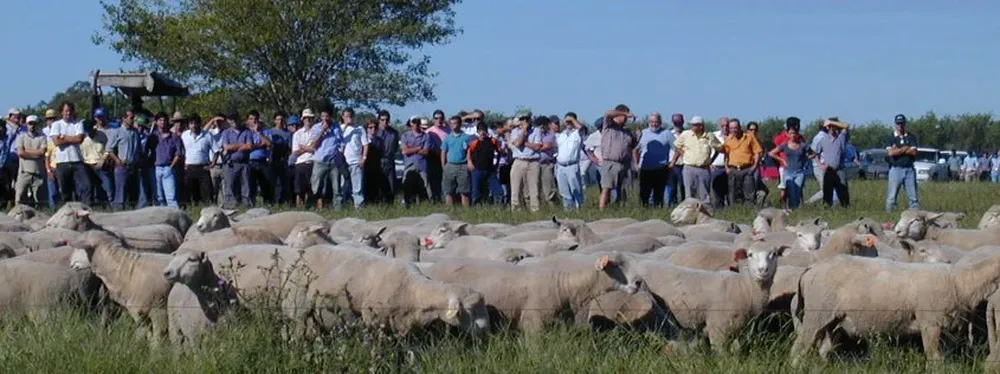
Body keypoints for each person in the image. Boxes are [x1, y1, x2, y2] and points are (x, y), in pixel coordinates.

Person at [670, 116, 721, 206]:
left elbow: (719, 148)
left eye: (694, 125)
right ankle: (689, 213)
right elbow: (677, 146)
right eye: (692, 125)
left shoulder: (709, 136)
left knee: (705, 194)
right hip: (689, 168)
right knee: (689, 194)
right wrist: (683, 155)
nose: (692, 127)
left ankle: (706, 213)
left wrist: (711, 160)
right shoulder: (686, 134)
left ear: (701, 126)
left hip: (704, 169)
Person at [49, 101, 92, 205]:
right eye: (66, 111)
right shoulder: (56, 124)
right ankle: (66, 211)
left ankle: (86, 207)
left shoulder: (78, 123)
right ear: (61, 112)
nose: (68, 113)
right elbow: (56, 141)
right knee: (65, 190)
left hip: (77, 160)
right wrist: (71, 138)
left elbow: (79, 139)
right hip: (62, 161)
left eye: (70, 111)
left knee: (86, 185)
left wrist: (64, 137)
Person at [106, 109, 144, 210]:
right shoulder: (117, 132)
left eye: (133, 117)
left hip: (134, 167)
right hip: (122, 167)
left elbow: (139, 149)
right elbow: (109, 149)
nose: (133, 120)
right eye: (131, 118)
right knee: (120, 194)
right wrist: (117, 161)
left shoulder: (135, 132)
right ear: (124, 118)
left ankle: (132, 214)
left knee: (134, 194)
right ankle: (118, 215)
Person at [633, 112, 674, 208]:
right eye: (651, 122)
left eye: (656, 122)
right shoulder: (643, 133)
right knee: (644, 194)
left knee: (658, 195)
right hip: (645, 169)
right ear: (648, 122)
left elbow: (678, 148)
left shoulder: (666, 133)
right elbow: (635, 149)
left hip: (661, 169)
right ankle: (644, 214)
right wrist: (636, 163)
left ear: (660, 122)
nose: (654, 124)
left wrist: (673, 162)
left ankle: (657, 214)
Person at [599, 105, 636, 210]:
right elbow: (607, 113)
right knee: (606, 188)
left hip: (624, 164)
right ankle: (602, 210)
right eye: (624, 116)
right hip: (610, 162)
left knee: (623, 189)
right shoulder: (609, 125)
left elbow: (631, 147)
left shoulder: (627, 132)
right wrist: (624, 113)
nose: (625, 119)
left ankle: (620, 208)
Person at [720, 118, 763, 207]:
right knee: (732, 193)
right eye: (731, 128)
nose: (733, 130)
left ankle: (748, 211)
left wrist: (754, 166)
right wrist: (726, 168)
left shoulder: (749, 137)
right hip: (733, 169)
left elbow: (757, 152)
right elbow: (726, 155)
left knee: (749, 192)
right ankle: (734, 211)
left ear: (739, 127)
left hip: (747, 169)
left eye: (735, 128)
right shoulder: (728, 139)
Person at [882, 114, 919, 211]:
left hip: (909, 169)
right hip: (895, 169)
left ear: (905, 124)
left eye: (902, 123)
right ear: (895, 124)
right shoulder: (890, 138)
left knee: (913, 198)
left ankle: (915, 217)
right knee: (891, 197)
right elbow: (890, 153)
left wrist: (897, 150)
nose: (900, 126)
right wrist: (905, 148)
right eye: (898, 124)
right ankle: (890, 216)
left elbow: (914, 152)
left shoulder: (911, 137)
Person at [309, 107, 344, 210]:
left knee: (336, 188)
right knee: (316, 186)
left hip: (334, 161)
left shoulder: (337, 127)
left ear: (331, 117)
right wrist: (323, 131)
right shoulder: (316, 127)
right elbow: (314, 145)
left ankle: (338, 210)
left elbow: (341, 142)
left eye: (327, 116)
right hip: (320, 161)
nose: (324, 118)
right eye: (322, 116)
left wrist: (341, 152)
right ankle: (313, 207)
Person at [508, 111, 543, 212]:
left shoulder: (536, 131)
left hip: (533, 162)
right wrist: (523, 130)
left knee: (534, 190)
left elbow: (537, 147)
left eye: (526, 119)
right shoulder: (515, 131)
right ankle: (516, 211)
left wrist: (525, 143)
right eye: (522, 119)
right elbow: (518, 143)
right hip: (519, 161)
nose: (524, 121)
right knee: (516, 189)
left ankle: (535, 211)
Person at [768, 124, 810, 209]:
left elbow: (813, 153)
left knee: (797, 193)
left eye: (794, 133)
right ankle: (792, 209)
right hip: (788, 172)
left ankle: (795, 210)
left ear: (797, 134)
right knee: (791, 192)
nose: (793, 135)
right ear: (787, 134)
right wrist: (782, 160)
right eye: (790, 133)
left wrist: (805, 160)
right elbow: (771, 153)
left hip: (800, 172)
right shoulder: (784, 145)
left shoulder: (803, 145)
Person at [812, 119, 851, 208]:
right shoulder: (823, 139)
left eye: (835, 127)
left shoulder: (841, 138)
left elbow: (846, 125)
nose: (833, 129)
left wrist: (831, 122)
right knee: (827, 194)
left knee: (843, 193)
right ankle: (827, 209)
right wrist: (820, 165)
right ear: (828, 128)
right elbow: (814, 153)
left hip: (839, 170)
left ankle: (845, 208)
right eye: (831, 127)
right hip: (828, 170)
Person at [220, 111, 254, 208]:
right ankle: (230, 205)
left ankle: (246, 205)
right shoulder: (226, 132)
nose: (234, 121)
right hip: (231, 163)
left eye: (235, 119)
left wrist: (234, 147)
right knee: (229, 186)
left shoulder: (247, 131)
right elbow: (226, 147)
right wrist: (241, 145)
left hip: (244, 163)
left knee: (246, 186)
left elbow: (249, 146)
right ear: (228, 121)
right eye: (231, 119)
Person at [338, 108, 369, 209]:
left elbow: (365, 144)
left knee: (357, 188)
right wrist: (345, 126)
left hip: (356, 162)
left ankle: (359, 207)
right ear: (343, 117)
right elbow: (337, 143)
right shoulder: (340, 129)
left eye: (350, 116)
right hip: (344, 163)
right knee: (343, 187)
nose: (349, 118)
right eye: (346, 116)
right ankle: (342, 207)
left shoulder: (360, 129)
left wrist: (363, 158)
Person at [13, 115, 47, 207]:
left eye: (34, 123)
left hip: (38, 172)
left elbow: (42, 152)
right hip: (24, 172)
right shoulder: (21, 137)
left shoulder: (42, 137)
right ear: (26, 124)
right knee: (19, 198)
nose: (32, 126)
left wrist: (26, 151)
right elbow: (20, 153)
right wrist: (36, 153)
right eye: (30, 123)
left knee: (40, 201)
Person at [467, 121, 504, 205]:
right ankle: (475, 208)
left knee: (498, 191)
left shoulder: (493, 141)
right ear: (477, 132)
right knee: (475, 192)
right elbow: (469, 152)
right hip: (477, 169)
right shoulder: (474, 142)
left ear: (487, 131)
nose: (482, 132)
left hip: (490, 170)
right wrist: (469, 162)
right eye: (480, 130)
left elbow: (499, 152)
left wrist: (496, 164)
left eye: (483, 130)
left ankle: (499, 208)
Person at [181, 114, 214, 206]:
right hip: (189, 167)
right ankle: (192, 210)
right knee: (190, 193)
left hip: (203, 167)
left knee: (206, 193)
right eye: (191, 123)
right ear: (188, 125)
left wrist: (212, 164)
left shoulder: (207, 135)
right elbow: (181, 150)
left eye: (196, 123)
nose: (194, 126)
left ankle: (206, 209)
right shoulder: (184, 135)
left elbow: (216, 150)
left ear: (200, 123)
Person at [400, 116, 433, 207]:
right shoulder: (405, 135)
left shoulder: (426, 136)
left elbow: (426, 151)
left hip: (422, 165)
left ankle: (426, 206)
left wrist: (411, 149)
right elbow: (405, 151)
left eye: (418, 121)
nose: (416, 124)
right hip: (409, 165)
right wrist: (419, 148)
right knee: (407, 186)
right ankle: (407, 205)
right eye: (414, 122)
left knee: (425, 187)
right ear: (410, 123)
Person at [440, 115, 473, 207]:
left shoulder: (466, 137)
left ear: (460, 124)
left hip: (463, 165)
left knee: (464, 191)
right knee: (448, 191)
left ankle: (466, 212)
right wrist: (444, 166)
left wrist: (469, 161)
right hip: (450, 165)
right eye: (451, 124)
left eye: (455, 123)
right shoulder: (447, 137)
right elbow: (443, 151)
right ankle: (449, 211)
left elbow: (469, 151)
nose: (453, 125)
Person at [153, 112, 184, 208]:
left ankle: (176, 218)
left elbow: (178, 154)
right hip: (156, 168)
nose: (162, 122)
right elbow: (148, 152)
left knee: (171, 197)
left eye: (164, 120)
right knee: (158, 197)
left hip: (168, 168)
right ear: (156, 122)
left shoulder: (174, 137)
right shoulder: (153, 136)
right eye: (160, 120)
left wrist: (171, 167)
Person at [555, 113, 585, 209]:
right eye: (566, 121)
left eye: (570, 121)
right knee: (563, 190)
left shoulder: (577, 133)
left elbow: (581, 128)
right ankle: (568, 210)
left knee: (575, 188)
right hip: (560, 166)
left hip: (572, 165)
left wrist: (572, 119)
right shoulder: (561, 134)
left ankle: (579, 209)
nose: (568, 123)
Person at [246, 110, 274, 205]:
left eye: (255, 119)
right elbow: (247, 146)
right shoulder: (245, 132)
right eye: (251, 119)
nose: (253, 121)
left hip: (262, 161)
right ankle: (251, 205)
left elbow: (269, 143)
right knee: (251, 185)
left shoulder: (265, 131)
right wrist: (260, 145)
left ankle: (268, 204)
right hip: (250, 161)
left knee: (266, 184)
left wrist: (258, 132)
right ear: (247, 120)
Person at [291, 109, 317, 208]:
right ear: (303, 119)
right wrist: (309, 148)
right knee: (299, 190)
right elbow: (295, 152)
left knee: (312, 189)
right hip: (300, 163)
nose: (308, 120)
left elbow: (316, 148)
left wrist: (304, 147)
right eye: (306, 118)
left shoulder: (316, 132)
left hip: (313, 162)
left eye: (310, 118)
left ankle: (311, 207)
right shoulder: (297, 134)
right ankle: (299, 208)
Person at [269, 112, 293, 205]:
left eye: (282, 119)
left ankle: (285, 202)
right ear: (275, 121)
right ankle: (273, 202)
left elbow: (290, 147)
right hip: (272, 159)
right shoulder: (270, 132)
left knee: (284, 182)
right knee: (273, 182)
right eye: (278, 119)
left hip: (284, 160)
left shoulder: (288, 133)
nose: (280, 121)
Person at [666, 113, 685, 205]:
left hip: (684, 164)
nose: (677, 124)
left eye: (679, 121)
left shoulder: (688, 134)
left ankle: (684, 204)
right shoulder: (668, 134)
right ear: (672, 122)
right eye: (675, 122)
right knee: (672, 187)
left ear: (683, 122)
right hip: (672, 165)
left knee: (683, 186)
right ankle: (672, 205)